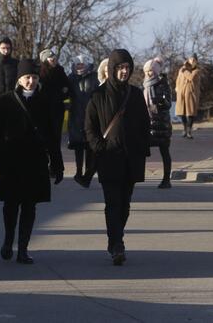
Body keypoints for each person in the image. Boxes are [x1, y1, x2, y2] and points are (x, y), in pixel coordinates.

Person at [0, 59, 64, 264]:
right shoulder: (6, 101)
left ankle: (23, 249)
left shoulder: (45, 101)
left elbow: (53, 137)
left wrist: (57, 164)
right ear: (19, 79)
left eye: (34, 77)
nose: (31, 81)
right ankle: (8, 241)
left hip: (35, 162)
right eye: (27, 77)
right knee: (10, 205)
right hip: (11, 160)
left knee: (30, 206)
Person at [85, 49, 151, 265]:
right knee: (112, 203)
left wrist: (142, 147)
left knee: (125, 204)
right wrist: (99, 147)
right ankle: (116, 244)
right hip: (109, 158)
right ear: (112, 69)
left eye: (127, 68)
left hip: (131, 159)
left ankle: (116, 238)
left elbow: (144, 125)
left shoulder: (134, 94)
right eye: (120, 68)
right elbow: (90, 127)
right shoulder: (98, 95)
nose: (124, 71)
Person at [67, 55, 98, 185]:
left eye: (82, 64)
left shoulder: (93, 77)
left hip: (90, 115)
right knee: (78, 146)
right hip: (76, 115)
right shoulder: (71, 78)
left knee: (90, 146)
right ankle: (78, 171)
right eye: (77, 65)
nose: (79, 67)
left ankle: (87, 172)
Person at [143, 57, 173, 188]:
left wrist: (160, 101)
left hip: (161, 124)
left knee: (164, 151)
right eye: (147, 71)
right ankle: (139, 176)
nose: (149, 73)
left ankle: (166, 179)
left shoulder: (163, 83)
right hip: (147, 124)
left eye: (151, 71)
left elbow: (168, 103)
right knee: (141, 150)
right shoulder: (144, 84)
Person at [39, 48, 72, 138]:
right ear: (45, 60)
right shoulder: (40, 73)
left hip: (58, 107)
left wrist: (64, 92)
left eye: (54, 58)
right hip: (44, 108)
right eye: (50, 59)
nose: (53, 60)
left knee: (56, 135)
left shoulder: (60, 71)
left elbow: (67, 87)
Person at [175, 53, 202, 139]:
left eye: (194, 60)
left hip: (191, 94)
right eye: (191, 59)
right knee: (181, 112)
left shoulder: (196, 71)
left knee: (190, 113)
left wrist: (184, 70)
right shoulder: (182, 69)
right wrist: (177, 88)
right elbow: (178, 80)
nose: (192, 61)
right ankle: (184, 129)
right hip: (182, 93)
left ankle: (189, 130)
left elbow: (190, 77)